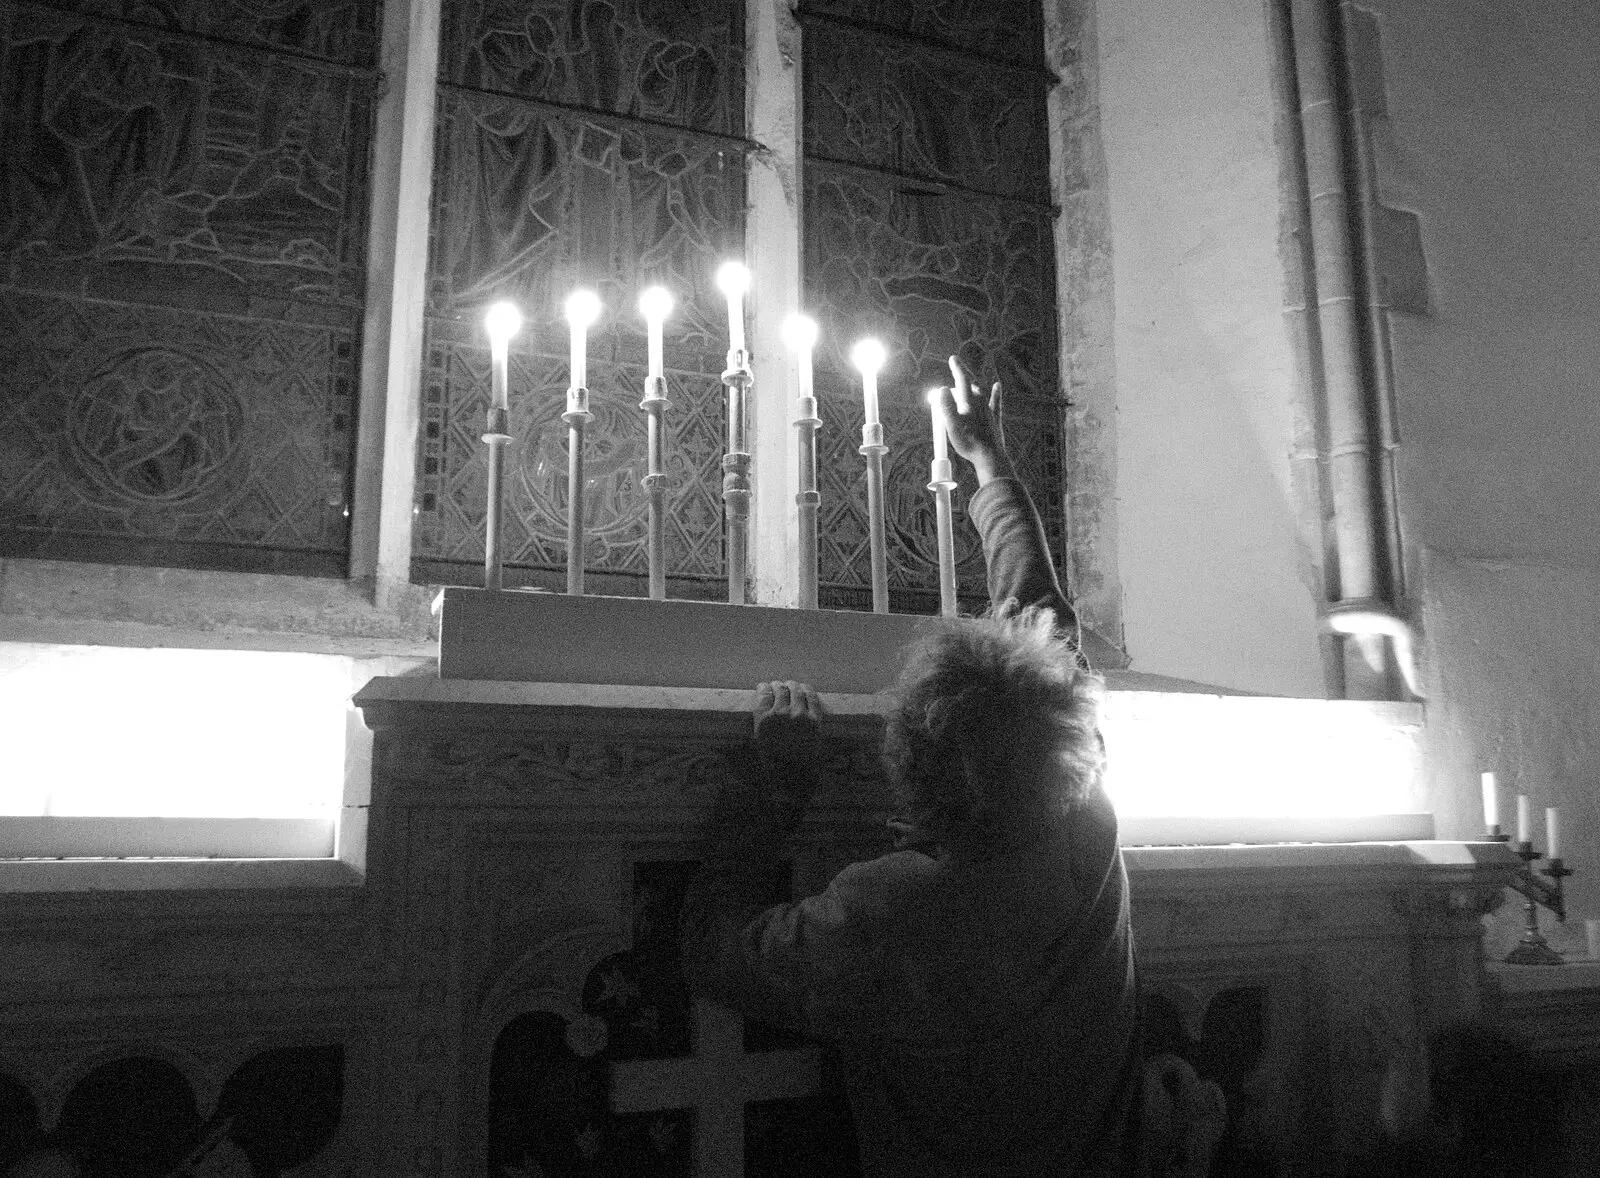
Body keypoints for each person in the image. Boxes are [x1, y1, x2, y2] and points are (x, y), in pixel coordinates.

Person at [680, 357, 1140, 1176]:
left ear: (915, 768)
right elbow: (1044, 633)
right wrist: (992, 468)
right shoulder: (1084, 833)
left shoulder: (896, 907)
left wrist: (775, 785)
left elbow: (716, 952)